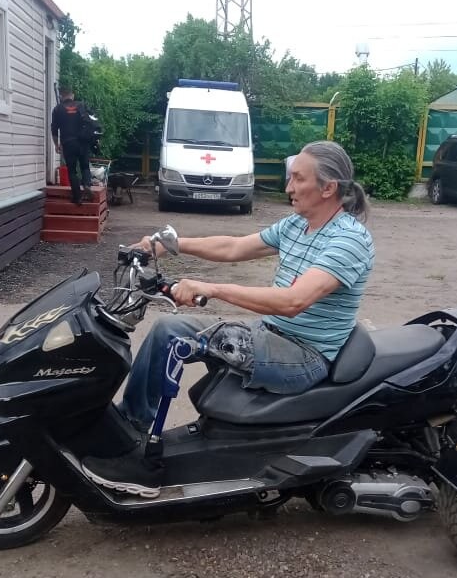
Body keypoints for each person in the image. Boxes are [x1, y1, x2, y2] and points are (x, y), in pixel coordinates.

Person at [83, 140, 375, 497]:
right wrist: (171, 244)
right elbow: (235, 247)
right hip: (272, 334)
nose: (289, 187)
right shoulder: (298, 225)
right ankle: (132, 428)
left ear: (328, 188)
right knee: (168, 327)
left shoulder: (348, 240)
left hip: (303, 355)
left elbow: (293, 301)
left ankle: (143, 461)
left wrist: (212, 288)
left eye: (298, 179)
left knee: (180, 340)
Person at [50, 88, 93, 205]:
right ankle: (87, 184)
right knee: (85, 166)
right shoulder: (81, 105)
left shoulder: (57, 109)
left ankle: (77, 197)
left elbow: (54, 130)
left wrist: (56, 145)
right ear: (72, 95)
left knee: (72, 170)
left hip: (68, 143)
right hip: (83, 142)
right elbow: (91, 122)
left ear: (61, 97)